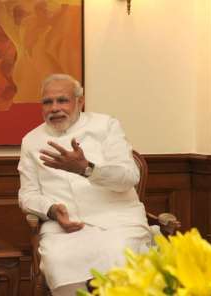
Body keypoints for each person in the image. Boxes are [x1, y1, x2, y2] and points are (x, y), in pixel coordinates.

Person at [17, 74, 151, 296]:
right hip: (65, 229)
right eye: (47, 102)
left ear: (80, 102)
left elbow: (129, 177)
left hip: (117, 223)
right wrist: (50, 210)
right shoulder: (31, 140)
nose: (54, 108)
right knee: (59, 261)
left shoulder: (106, 126)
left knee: (119, 254)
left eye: (62, 100)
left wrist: (87, 168)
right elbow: (27, 195)